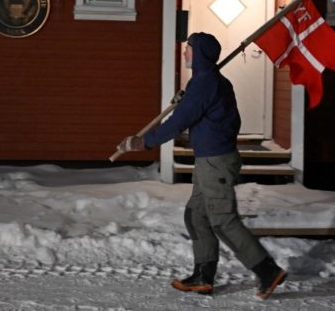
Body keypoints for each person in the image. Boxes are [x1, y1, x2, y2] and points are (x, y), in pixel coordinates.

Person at [118, 32, 287, 300]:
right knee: (196, 216)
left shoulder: (205, 84)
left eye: (189, 48)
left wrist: (143, 142)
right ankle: (203, 277)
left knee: (223, 220)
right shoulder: (209, 82)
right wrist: (185, 103)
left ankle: (268, 271)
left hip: (215, 162)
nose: (185, 52)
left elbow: (178, 123)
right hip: (209, 161)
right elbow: (201, 113)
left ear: (200, 54)